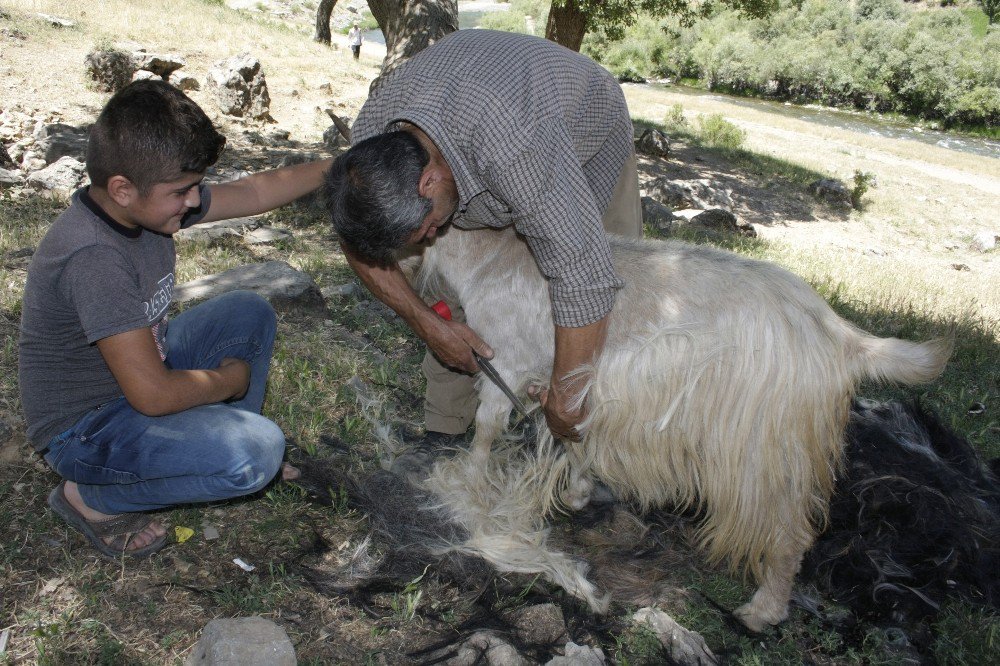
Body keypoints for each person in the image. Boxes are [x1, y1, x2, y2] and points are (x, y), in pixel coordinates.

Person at [18, 80, 332, 558]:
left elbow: (252, 191)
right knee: (257, 453)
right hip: (85, 429)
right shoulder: (93, 257)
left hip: (137, 380)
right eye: (183, 191)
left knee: (247, 311)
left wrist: (335, 167)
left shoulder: (145, 206)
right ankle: (91, 496)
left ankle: (208, 445)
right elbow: (154, 395)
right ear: (122, 188)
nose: (194, 201)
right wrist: (227, 382)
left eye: (196, 187)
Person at [324, 30, 643, 469]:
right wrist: (428, 324)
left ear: (428, 181)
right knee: (455, 281)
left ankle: (598, 457)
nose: (428, 240)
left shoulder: (518, 147)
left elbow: (584, 274)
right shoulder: (370, 149)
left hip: (582, 132)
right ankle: (446, 426)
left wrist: (569, 395)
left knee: (613, 296)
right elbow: (358, 240)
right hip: (482, 131)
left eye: (425, 228)